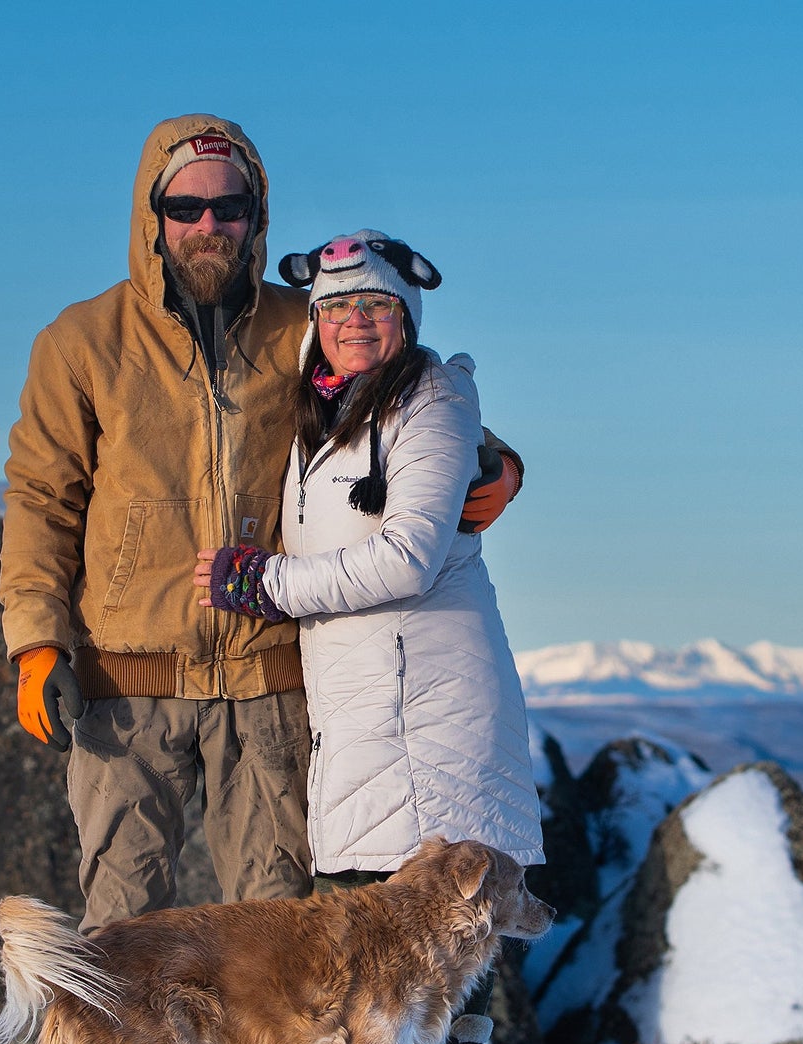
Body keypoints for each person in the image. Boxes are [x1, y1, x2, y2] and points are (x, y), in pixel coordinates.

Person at [0, 116, 524, 931]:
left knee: (274, 948)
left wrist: (497, 462)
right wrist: (37, 642)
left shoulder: (302, 324)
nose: (209, 225)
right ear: (152, 214)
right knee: (120, 940)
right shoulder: (82, 342)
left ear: (256, 214)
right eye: (186, 207)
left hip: (271, 680)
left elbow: (399, 393)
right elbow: (42, 497)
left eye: (229, 206)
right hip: (128, 684)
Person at [195, 229, 544, 890]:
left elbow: (408, 558)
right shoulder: (326, 406)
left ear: (406, 318)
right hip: (374, 733)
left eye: (377, 306)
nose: (354, 321)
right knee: (391, 985)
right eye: (335, 306)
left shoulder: (431, 403)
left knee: (434, 981)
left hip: (428, 747)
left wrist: (263, 580)